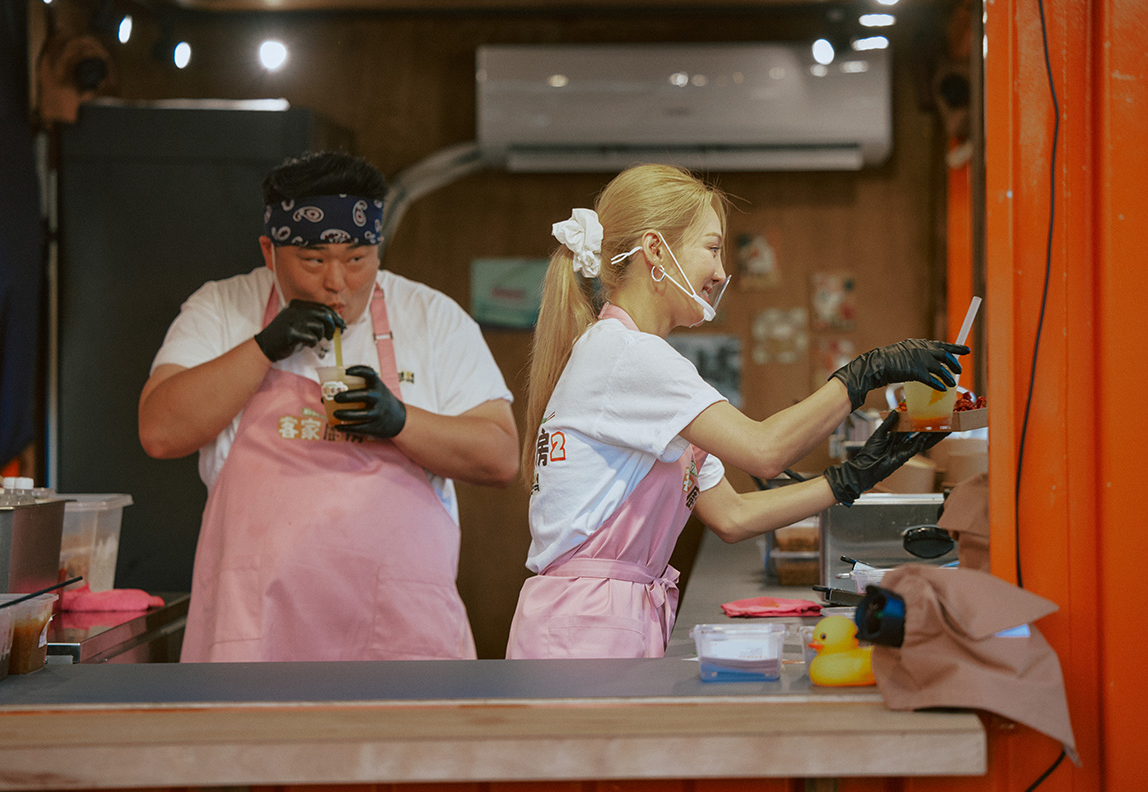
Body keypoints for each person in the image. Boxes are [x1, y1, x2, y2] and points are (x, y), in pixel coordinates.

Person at [505, 164, 966, 660]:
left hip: (603, 620)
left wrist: (851, 479)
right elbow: (764, 451)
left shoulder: (630, 360)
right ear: (656, 250)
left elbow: (733, 515)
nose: (723, 271)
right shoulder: (626, 356)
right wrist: (863, 374)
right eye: (711, 247)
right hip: (585, 630)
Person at [139, 150, 518, 662]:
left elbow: (500, 456)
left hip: (401, 635)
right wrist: (262, 348)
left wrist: (401, 421)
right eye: (314, 260)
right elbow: (160, 431)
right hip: (258, 630)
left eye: (358, 259)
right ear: (270, 252)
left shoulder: (432, 317)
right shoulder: (223, 308)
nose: (337, 282)